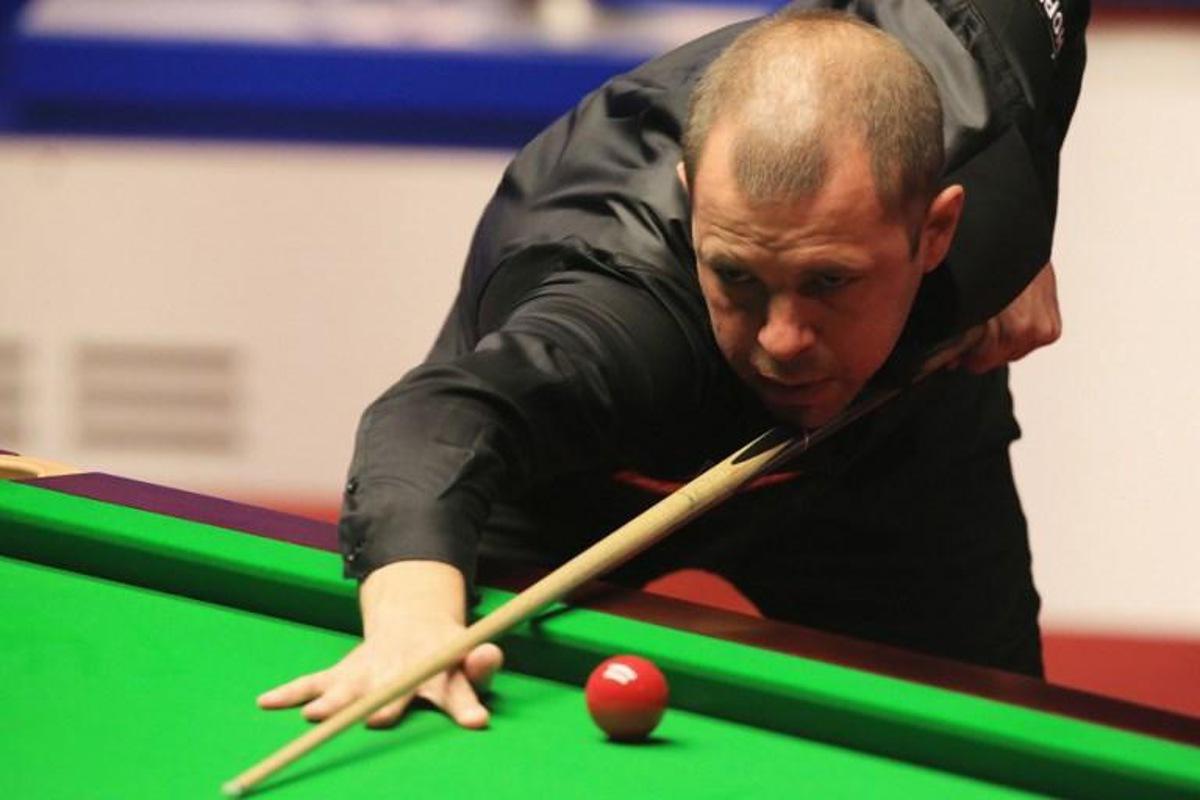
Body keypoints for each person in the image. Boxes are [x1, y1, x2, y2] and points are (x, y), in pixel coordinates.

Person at [259, 0, 1088, 731]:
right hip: (582, 481)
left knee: (987, 742)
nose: (781, 340)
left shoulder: (992, 122)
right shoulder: (626, 313)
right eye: (739, 276)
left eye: (829, 281)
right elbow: (440, 418)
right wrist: (410, 618)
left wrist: (1011, 247)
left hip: (885, 455)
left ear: (936, 229)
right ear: (696, 200)